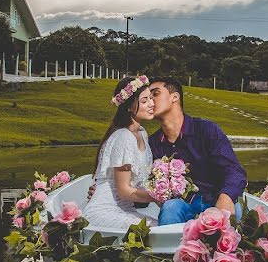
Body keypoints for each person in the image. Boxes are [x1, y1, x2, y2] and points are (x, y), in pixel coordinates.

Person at [147, 77, 247, 225]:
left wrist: (226, 196)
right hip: (182, 206)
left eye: (155, 94)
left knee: (233, 211)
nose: (150, 101)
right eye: (147, 98)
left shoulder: (206, 130)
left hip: (215, 200)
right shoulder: (154, 142)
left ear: (175, 97)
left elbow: (234, 170)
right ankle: (169, 248)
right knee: (170, 207)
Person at [83, 75, 159, 228]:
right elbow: (124, 191)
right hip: (104, 211)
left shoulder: (142, 133)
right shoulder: (124, 137)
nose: (151, 104)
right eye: (144, 101)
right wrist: (157, 197)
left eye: (151, 98)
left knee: (161, 225)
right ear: (130, 107)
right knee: (154, 229)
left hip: (126, 209)